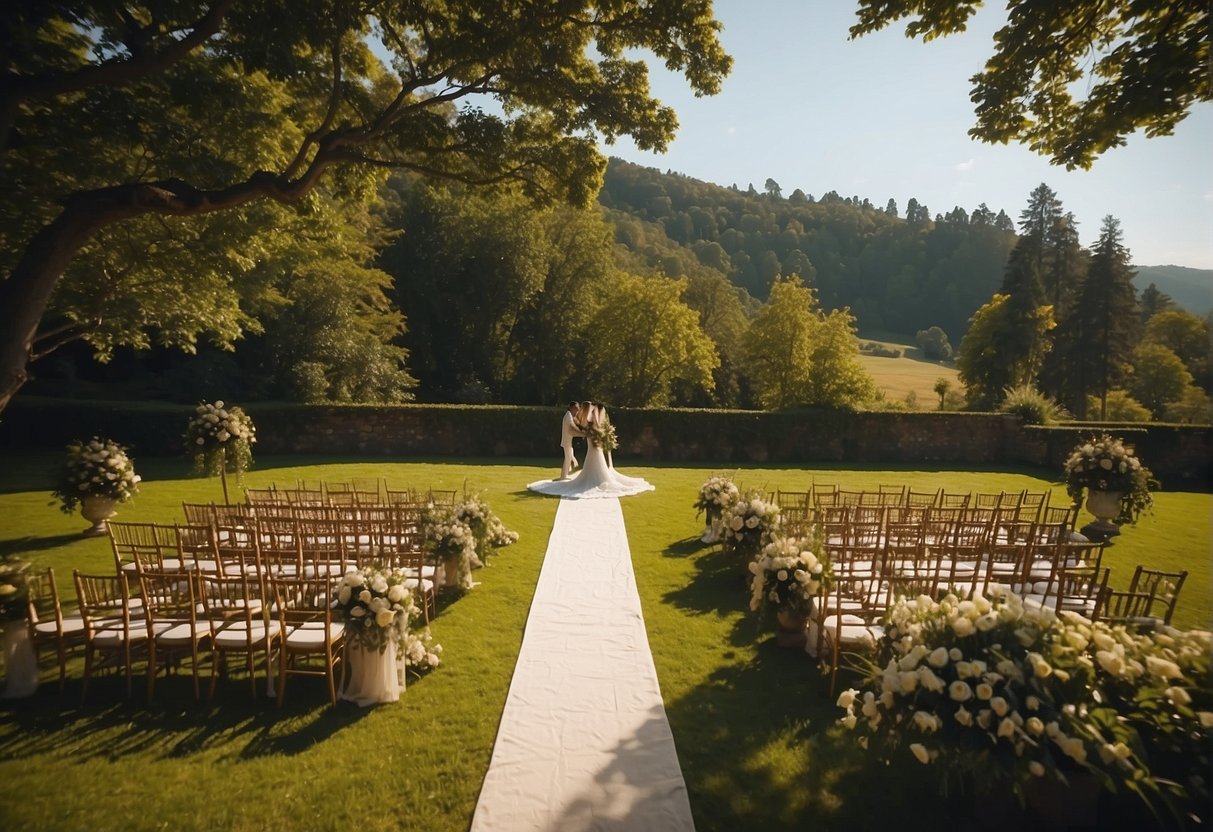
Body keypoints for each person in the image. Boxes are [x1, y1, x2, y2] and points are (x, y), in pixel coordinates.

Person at [528, 401, 653, 498]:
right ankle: (568, 474)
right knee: (584, 463)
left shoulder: (589, 421)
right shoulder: (590, 420)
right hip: (592, 447)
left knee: (585, 463)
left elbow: (584, 429)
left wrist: (587, 434)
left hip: (593, 448)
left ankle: (569, 474)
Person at [560, 400, 584, 479]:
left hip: (568, 441)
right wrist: (583, 434)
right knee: (568, 459)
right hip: (567, 441)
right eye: (576, 408)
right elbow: (572, 428)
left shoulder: (569, 415)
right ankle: (564, 476)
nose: (577, 411)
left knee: (569, 458)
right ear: (571, 408)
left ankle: (565, 475)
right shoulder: (568, 416)